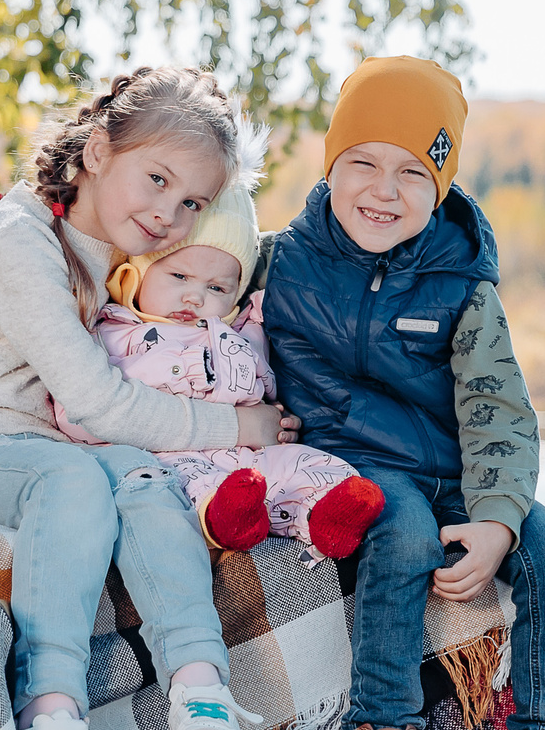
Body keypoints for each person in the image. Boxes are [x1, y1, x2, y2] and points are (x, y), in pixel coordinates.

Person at [260, 56, 545, 730]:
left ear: (440, 186)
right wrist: (243, 419)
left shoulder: (463, 285)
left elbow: (498, 411)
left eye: (414, 171)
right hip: (349, 466)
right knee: (400, 528)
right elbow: (197, 326)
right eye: (363, 162)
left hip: (456, 471)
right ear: (329, 163)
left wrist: (500, 521)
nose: (385, 189)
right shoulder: (279, 261)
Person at [0, 66, 289, 730]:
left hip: (41, 452)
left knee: (135, 474)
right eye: (157, 178)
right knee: (74, 479)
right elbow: (98, 398)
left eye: (192, 200)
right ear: (98, 149)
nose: (170, 212)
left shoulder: (120, 259)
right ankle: (49, 720)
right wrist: (237, 427)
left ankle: (199, 685)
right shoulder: (19, 240)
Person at [54, 181, 387, 560]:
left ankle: (326, 516)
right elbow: (77, 412)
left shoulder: (247, 328)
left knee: (308, 465)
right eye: (178, 277)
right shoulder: (115, 331)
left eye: (216, 288)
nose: (194, 297)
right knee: (191, 483)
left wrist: (282, 418)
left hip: (247, 451)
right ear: (136, 276)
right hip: (168, 454)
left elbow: (278, 381)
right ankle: (223, 521)